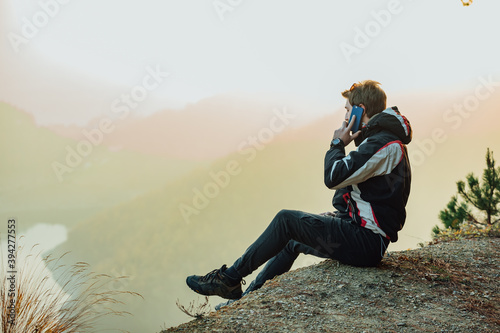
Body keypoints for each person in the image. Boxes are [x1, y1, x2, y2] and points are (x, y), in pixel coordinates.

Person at [185, 80, 412, 304]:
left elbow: (333, 177)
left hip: (366, 241)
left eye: (347, 110)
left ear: (359, 109)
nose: (344, 117)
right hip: (358, 231)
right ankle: (244, 299)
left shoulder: (384, 144)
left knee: (287, 220)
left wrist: (337, 143)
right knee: (291, 238)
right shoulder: (378, 141)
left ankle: (229, 279)